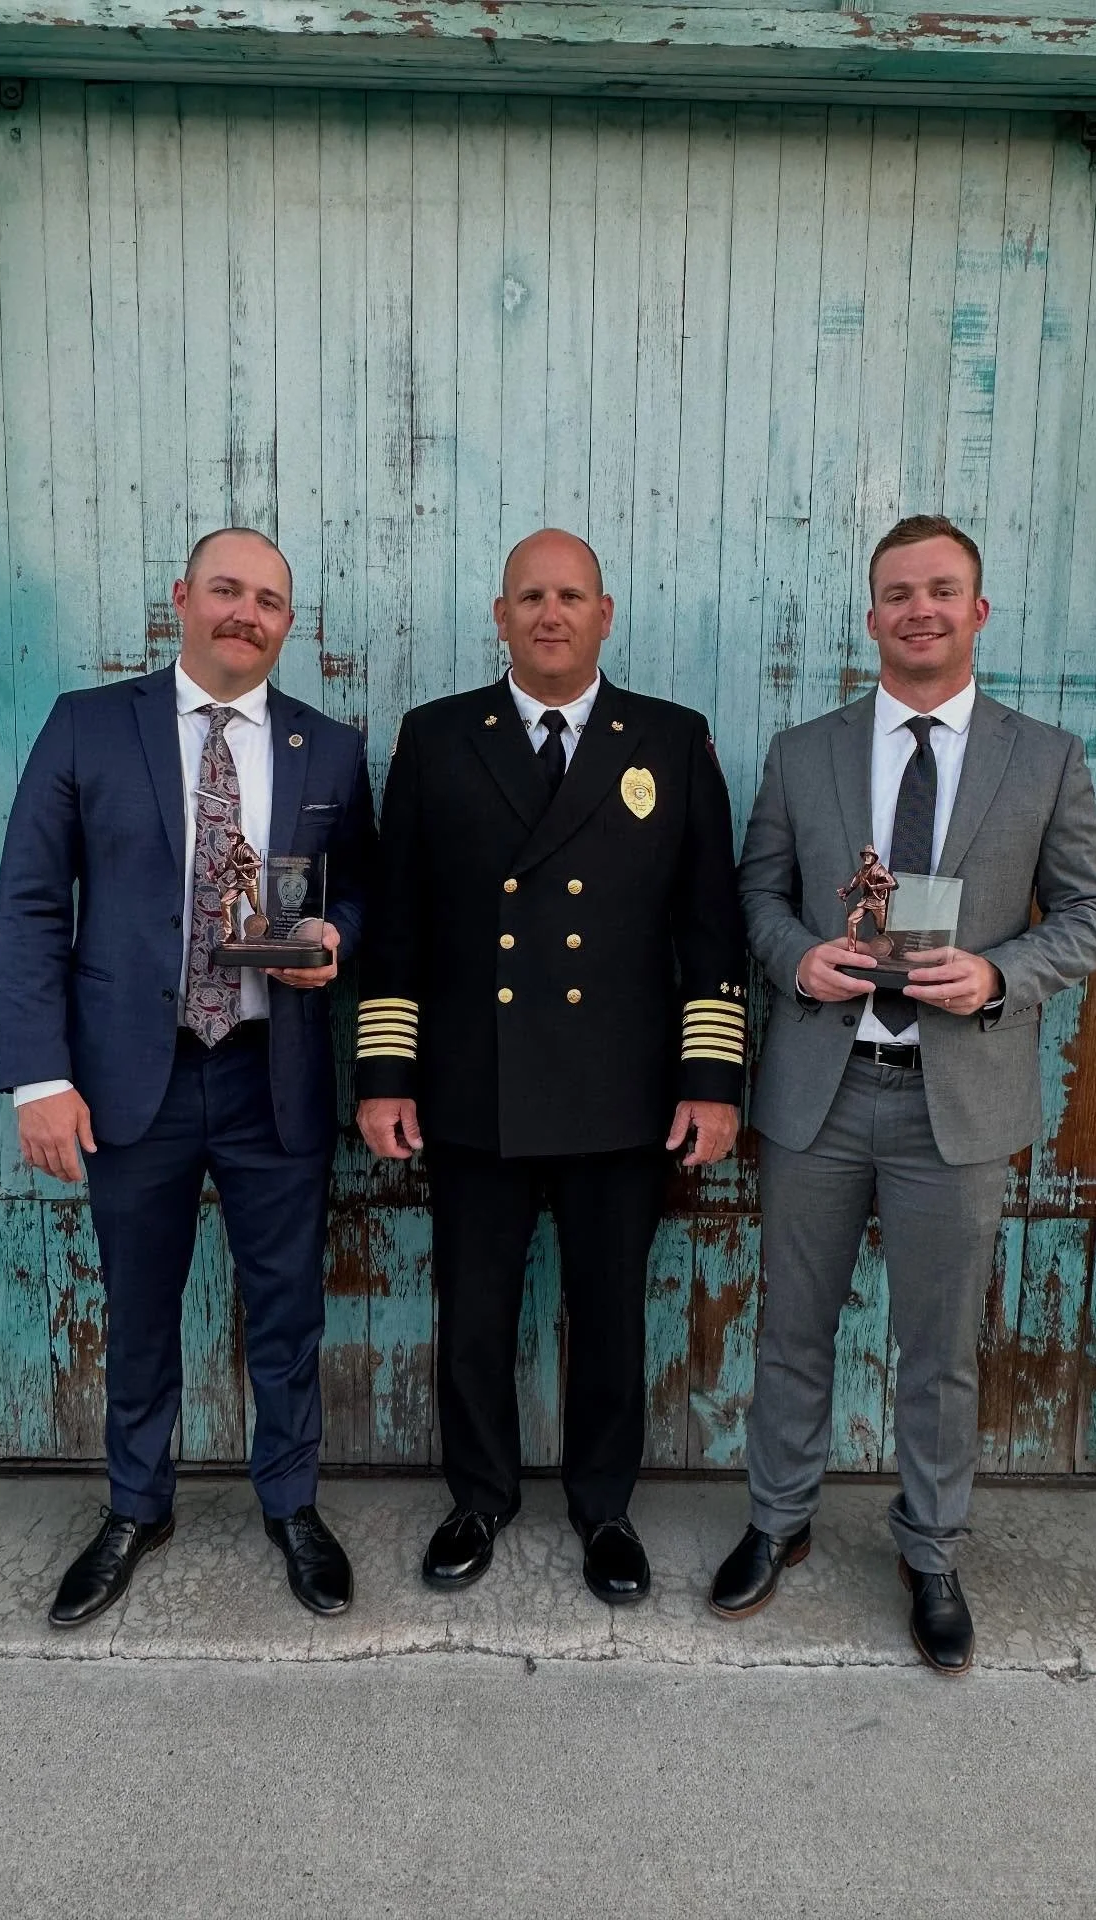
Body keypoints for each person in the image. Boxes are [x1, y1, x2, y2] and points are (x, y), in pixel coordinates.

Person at [709, 514, 1096, 1674]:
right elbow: (757, 896)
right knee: (793, 1325)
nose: (920, 610)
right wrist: (795, 957)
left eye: (943, 591)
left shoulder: (1043, 758)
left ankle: (931, 1550)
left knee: (937, 1348)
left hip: (960, 1101)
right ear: (873, 613)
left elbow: (1092, 916)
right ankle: (775, 1523)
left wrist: (999, 972)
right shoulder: (805, 751)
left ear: (977, 612)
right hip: (821, 1093)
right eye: (899, 594)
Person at [0, 528, 375, 1628]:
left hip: (274, 1074)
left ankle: (291, 1503)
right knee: (139, 1306)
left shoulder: (329, 749)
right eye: (226, 591)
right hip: (128, 1083)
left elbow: (363, 893)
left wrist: (336, 939)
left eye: (267, 600)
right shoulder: (87, 726)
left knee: (286, 1309)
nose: (245, 613)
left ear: (286, 624)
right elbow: (28, 905)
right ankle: (135, 1504)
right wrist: (38, 1079)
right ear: (182, 599)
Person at [356, 528, 746, 1604]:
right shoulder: (438, 738)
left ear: (605, 614)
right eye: (530, 595)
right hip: (473, 1087)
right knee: (473, 1311)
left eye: (571, 595)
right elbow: (398, 928)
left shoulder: (669, 739)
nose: (551, 613)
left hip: (621, 1092)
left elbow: (708, 929)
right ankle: (476, 1497)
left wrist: (709, 1082)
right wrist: (387, 1072)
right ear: (501, 615)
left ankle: (605, 1509)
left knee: (612, 1312)